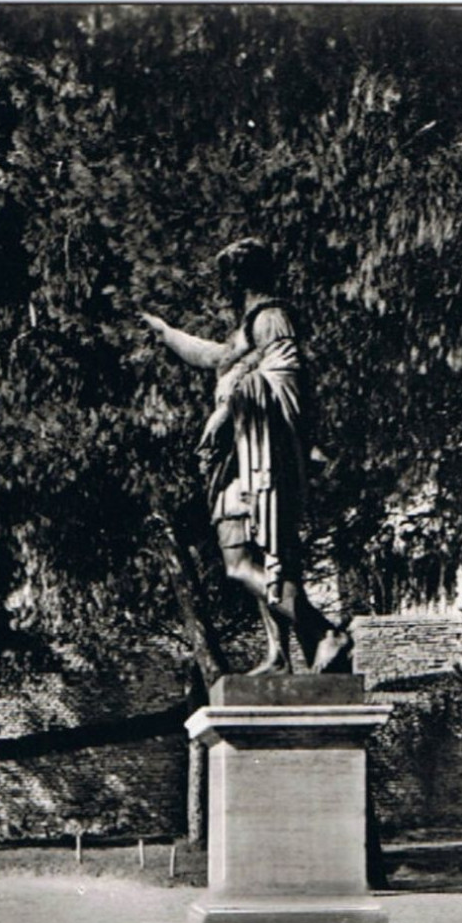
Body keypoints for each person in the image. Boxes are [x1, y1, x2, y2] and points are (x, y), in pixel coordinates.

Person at [141, 238, 352, 675]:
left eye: (230, 275)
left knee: (245, 565)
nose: (225, 284)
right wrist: (167, 334)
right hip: (237, 458)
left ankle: (321, 632)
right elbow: (216, 357)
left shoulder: (271, 316)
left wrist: (228, 407)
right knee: (248, 560)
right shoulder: (248, 326)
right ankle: (280, 655)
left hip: (261, 457)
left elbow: (286, 380)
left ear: (242, 276)